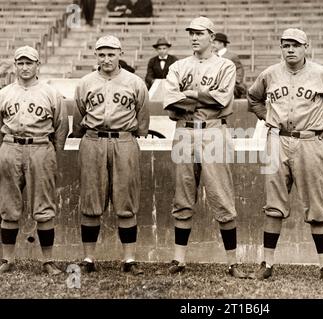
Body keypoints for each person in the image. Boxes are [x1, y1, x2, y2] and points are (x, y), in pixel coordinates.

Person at [247, 28, 323, 281]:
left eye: (296, 45)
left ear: (306, 47)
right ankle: (267, 264)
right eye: (286, 45)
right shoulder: (269, 74)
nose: (291, 50)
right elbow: (253, 99)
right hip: (277, 140)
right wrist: (268, 119)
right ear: (281, 48)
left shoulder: (322, 74)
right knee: (273, 205)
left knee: (317, 206)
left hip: (310, 141)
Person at [163, 16, 247, 278]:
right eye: (191, 33)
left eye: (199, 33)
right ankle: (179, 260)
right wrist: (200, 100)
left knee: (221, 195)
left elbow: (222, 101)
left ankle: (232, 263)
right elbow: (170, 103)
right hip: (184, 133)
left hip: (213, 131)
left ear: (212, 36)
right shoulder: (178, 66)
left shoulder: (226, 66)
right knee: (183, 195)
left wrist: (188, 95)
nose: (194, 37)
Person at [72, 35, 150, 275]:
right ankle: (88, 259)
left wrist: (128, 133)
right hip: (93, 140)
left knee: (126, 201)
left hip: (124, 140)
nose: (107, 59)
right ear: (96, 55)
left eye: (111, 54)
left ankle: (129, 260)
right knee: (90, 201)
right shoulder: (85, 82)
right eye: (102, 54)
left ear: (120, 53)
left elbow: (143, 121)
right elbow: (78, 117)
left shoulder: (135, 82)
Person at [0, 46, 69, 274]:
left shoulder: (50, 93)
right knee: (8, 206)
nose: (25, 67)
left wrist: (53, 154)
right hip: (10, 146)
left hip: (40, 146)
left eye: (29, 63)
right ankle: (7, 260)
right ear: (15, 65)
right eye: (20, 63)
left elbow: (61, 127)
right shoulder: (5, 92)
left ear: (37, 65)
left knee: (44, 207)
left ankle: (47, 261)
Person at [212, 32, 247, 98]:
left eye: (214, 43)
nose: (213, 45)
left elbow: (239, 69)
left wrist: (236, 81)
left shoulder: (232, 56)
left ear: (221, 44)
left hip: (230, 85)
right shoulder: (213, 56)